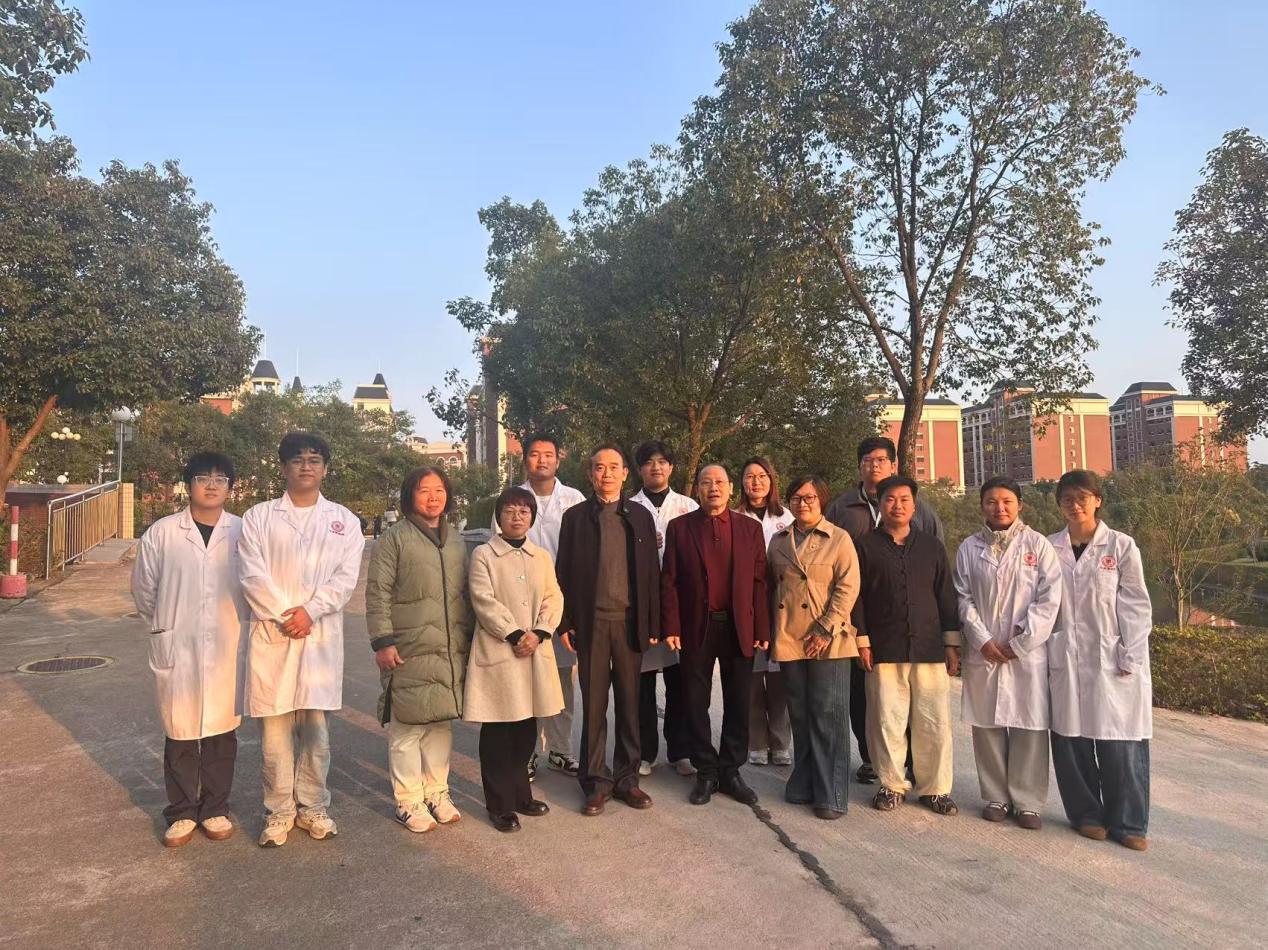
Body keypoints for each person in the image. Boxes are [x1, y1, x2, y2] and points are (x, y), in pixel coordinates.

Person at [238, 432, 365, 847]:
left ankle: (313, 805)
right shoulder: (259, 517)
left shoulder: (344, 521)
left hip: (318, 636)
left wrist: (310, 611)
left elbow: (345, 579)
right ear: (284, 468)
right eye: (297, 459)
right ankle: (278, 811)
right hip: (274, 634)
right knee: (274, 736)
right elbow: (251, 574)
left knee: (316, 734)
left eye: (314, 460)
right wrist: (285, 614)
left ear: (325, 469)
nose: (306, 466)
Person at [131, 452, 249, 848]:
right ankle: (181, 812)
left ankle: (215, 808)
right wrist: (167, 624)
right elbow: (144, 590)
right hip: (177, 643)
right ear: (189, 485)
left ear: (230, 487)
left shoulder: (242, 531)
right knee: (179, 730)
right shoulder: (163, 532)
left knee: (221, 731)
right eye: (203, 477)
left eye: (220, 479)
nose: (212, 485)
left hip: (226, 644)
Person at [825, 436, 944, 785]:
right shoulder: (842, 508)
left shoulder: (920, 510)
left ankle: (913, 763)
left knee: (914, 698)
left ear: (893, 465)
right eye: (867, 460)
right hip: (859, 617)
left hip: (910, 622)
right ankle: (870, 757)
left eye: (880, 460)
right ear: (859, 466)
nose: (874, 466)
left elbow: (936, 560)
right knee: (862, 694)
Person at [1047, 470, 1153, 851]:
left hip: (1114, 655)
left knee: (1121, 741)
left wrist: (1131, 651)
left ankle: (1129, 822)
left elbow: (1136, 603)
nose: (1075, 506)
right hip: (1066, 656)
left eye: (1082, 498)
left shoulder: (1121, 546)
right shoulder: (1049, 548)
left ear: (1097, 501)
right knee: (1070, 739)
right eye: (1067, 499)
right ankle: (1087, 815)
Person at [365, 466, 474, 834]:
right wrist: (383, 641)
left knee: (440, 723)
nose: (433, 497)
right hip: (407, 646)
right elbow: (377, 592)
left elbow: (465, 594)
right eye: (424, 490)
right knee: (408, 726)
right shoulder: (394, 538)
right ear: (410, 495)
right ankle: (408, 800)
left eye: (439, 489)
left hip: (447, 647)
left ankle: (437, 792)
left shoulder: (455, 540)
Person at [555, 443, 661, 816]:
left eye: (614, 467)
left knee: (631, 705)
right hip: (592, 624)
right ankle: (596, 782)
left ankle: (627, 779)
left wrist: (653, 622)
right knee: (595, 706)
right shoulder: (576, 518)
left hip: (629, 624)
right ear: (590, 474)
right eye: (599, 467)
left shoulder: (640, 516)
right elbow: (563, 573)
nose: (607, 473)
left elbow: (651, 573)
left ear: (625, 473)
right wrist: (565, 621)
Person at [954, 475, 1061, 831]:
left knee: (1029, 727)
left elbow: (1050, 599)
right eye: (991, 501)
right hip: (984, 652)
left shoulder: (1038, 545)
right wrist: (982, 639)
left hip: (1026, 653)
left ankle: (1028, 801)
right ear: (981, 506)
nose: (999, 508)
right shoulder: (969, 548)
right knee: (987, 726)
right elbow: (963, 598)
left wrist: (1021, 641)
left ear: (1019, 505)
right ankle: (996, 796)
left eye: (1006, 502)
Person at [661, 463, 770, 807]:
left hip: (739, 626)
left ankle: (731, 770)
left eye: (720, 482)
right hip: (696, 625)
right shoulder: (680, 528)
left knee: (739, 700)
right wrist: (671, 625)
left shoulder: (749, 529)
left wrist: (762, 627)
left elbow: (760, 582)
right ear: (697, 489)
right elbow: (669, 581)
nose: (714, 488)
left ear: (731, 488)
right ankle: (706, 770)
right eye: (706, 482)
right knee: (695, 700)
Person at [853, 475, 960, 817]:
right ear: (879, 504)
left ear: (915, 506)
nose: (897, 505)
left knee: (933, 721)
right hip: (884, 647)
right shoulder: (864, 546)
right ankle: (892, 784)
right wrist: (862, 639)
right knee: (887, 720)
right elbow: (857, 598)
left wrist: (951, 643)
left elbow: (946, 595)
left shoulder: (931, 547)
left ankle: (935, 789)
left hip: (929, 647)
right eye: (890, 499)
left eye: (904, 499)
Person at [465, 487, 565, 832]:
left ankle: (522, 794)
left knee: (525, 729)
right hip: (501, 651)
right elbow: (483, 600)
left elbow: (554, 596)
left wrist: (540, 632)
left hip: (535, 650)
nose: (517, 517)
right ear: (499, 516)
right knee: (498, 731)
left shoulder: (541, 557)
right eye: (510, 511)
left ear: (532, 517)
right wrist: (514, 634)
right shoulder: (484, 554)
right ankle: (499, 804)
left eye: (524, 511)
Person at [766, 476, 864, 819]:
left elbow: (848, 587)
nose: (802, 503)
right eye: (796, 497)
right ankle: (804, 782)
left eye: (809, 497)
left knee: (828, 716)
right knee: (800, 713)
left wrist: (825, 627)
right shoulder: (778, 541)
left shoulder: (838, 538)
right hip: (790, 636)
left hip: (829, 639)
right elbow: (772, 589)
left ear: (822, 500)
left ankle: (831, 793)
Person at [492, 433, 586, 780]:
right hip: (520, 602)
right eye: (534, 454)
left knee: (561, 679)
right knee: (526, 679)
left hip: (562, 604)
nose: (542, 460)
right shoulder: (511, 500)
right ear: (525, 460)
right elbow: (497, 549)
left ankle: (561, 750)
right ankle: (527, 752)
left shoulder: (574, 499)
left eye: (548, 454)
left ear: (558, 460)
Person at [628, 440, 698, 778]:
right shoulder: (628, 507)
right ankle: (645, 752)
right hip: (641, 607)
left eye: (662, 461)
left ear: (671, 467)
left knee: (679, 682)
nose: (656, 467)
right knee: (642, 684)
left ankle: (680, 750)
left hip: (680, 606)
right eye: (649, 462)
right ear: (639, 469)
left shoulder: (688, 506)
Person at [737, 457, 794, 767]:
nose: (756, 482)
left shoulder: (787, 517)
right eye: (749, 477)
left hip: (781, 602)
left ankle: (780, 741)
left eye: (762, 476)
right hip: (747, 603)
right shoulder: (734, 517)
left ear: (772, 480)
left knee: (779, 677)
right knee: (752, 676)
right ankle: (756, 741)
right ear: (742, 483)